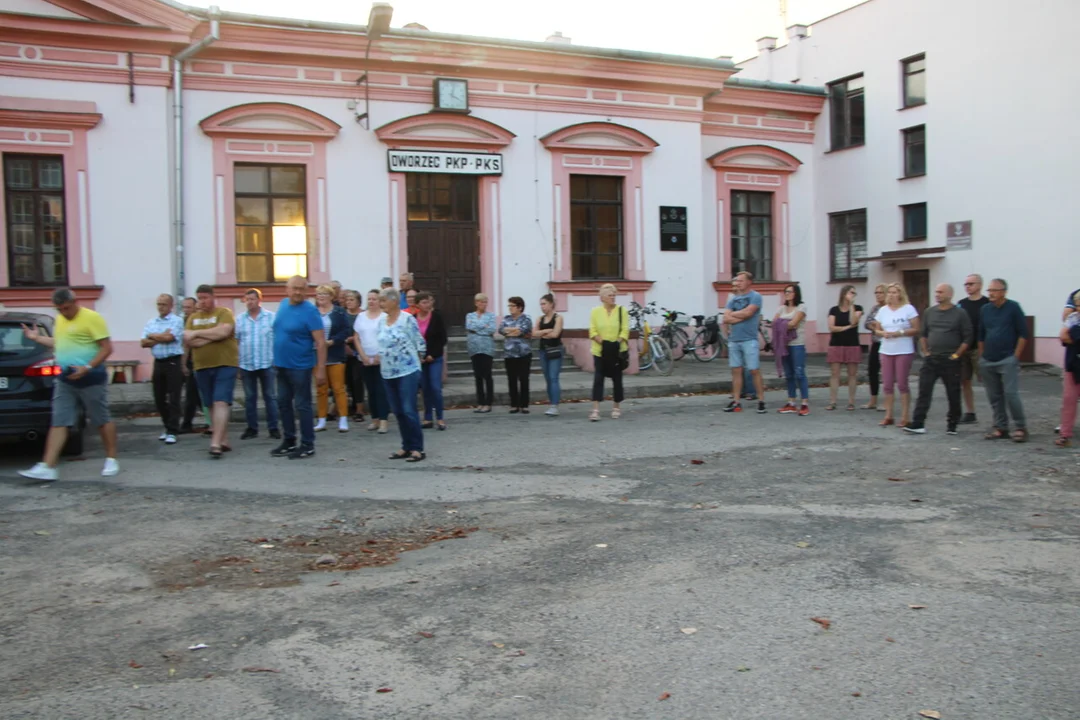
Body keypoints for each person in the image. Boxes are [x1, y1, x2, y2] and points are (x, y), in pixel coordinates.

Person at [18, 288, 120, 481]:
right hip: (65, 379)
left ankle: (111, 458)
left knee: (101, 418)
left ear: (75, 302)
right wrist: (37, 338)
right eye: (59, 309)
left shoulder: (92, 318)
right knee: (59, 420)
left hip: (91, 377)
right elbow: (60, 342)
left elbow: (107, 349)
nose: (64, 312)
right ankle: (48, 466)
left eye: (66, 308)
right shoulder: (61, 320)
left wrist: (87, 367)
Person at [905, 284, 972, 435]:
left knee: (953, 393)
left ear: (949, 294)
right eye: (936, 292)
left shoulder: (960, 313)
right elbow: (923, 333)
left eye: (940, 292)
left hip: (951, 360)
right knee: (924, 391)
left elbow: (967, 337)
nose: (937, 294)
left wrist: (956, 355)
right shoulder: (930, 312)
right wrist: (926, 351)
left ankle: (952, 424)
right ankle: (918, 423)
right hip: (932, 359)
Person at [271, 275, 327, 459]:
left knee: (302, 405)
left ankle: (307, 444)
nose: (297, 292)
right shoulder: (283, 304)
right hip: (281, 364)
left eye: (301, 289)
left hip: (300, 366)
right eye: (294, 288)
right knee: (283, 403)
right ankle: (289, 441)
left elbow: (320, 342)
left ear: (306, 291)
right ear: (286, 289)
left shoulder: (310, 311)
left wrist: (320, 370)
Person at [183, 284, 239, 458]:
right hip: (202, 366)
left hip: (225, 363)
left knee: (221, 400)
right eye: (200, 298)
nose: (203, 301)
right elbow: (189, 340)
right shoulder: (193, 318)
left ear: (213, 297)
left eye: (206, 298)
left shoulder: (224, 313)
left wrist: (199, 335)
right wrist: (211, 336)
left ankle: (215, 443)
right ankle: (223, 439)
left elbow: (224, 332)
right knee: (210, 404)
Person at [377, 288, 427, 462]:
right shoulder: (381, 321)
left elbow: (419, 341)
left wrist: (419, 364)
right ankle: (406, 446)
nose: (380, 304)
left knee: (408, 409)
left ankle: (417, 448)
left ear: (394, 301)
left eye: (383, 300)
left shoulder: (407, 320)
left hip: (407, 371)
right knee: (398, 411)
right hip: (388, 372)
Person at [978, 278, 1028, 442]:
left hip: (1007, 358)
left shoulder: (1013, 307)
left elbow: (1023, 334)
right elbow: (981, 335)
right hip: (988, 359)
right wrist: (981, 358)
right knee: (994, 396)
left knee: (1011, 393)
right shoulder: (985, 309)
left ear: (1004, 292)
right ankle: (1001, 427)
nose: (991, 294)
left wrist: (1015, 356)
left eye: (994, 290)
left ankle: (1020, 427)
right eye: (989, 290)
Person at [235, 288, 280, 441]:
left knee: (270, 397)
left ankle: (273, 428)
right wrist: (237, 365)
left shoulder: (271, 318)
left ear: (259, 300)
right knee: (250, 398)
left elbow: (277, 340)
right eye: (247, 300)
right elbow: (236, 342)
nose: (249, 302)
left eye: (252, 299)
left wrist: (276, 361)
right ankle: (252, 428)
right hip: (247, 364)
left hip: (266, 362)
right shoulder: (240, 319)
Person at [140, 293, 185, 444]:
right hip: (158, 362)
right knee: (159, 398)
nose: (161, 307)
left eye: (164, 304)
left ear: (171, 306)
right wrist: (159, 336)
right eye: (159, 304)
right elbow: (143, 342)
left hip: (173, 361)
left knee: (174, 397)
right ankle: (167, 426)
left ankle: (173, 430)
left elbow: (170, 338)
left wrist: (153, 337)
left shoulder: (177, 321)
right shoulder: (152, 322)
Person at [874, 283, 920, 428]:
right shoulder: (883, 310)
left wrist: (899, 332)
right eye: (890, 292)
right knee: (887, 384)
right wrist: (883, 333)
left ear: (900, 294)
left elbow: (916, 328)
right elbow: (877, 329)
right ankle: (888, 415)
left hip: (903, 349)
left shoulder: (908, 309)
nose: (892, 295)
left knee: (902, 383)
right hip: (886, 349)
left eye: (895, 292)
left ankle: (905, 416)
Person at [722, 271, 766, 413]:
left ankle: (761, 400)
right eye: (736, 281)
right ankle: (736, 401)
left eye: (740, 281)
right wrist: (740, 316)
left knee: (754, 370)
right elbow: (726, 318)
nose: (737, 283)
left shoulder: (755, 296)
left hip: (749, 339)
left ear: (749, 282)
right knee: (736, 370)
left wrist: (734, 315)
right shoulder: (733, 299)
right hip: (734, 339)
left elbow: (749, 313)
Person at [588, 283, 629, 421]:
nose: (613, 298)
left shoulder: (621, 311)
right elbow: (592, 330)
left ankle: (616, 407)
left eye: (614, 295)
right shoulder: (595, 311)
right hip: (600, 350)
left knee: (617, 379)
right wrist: (602, 342)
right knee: (598, 378)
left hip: (617, 350)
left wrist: (617, 341)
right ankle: (595, 409)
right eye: (610, 295)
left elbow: (625, 329)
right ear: (602, 298)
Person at [314, 284, 351, 432]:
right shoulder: (313, 312)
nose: (321, 296)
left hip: (335, 354)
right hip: (317, 355)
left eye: (324, 294)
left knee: (338, 388)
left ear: (331, 296)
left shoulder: (339, 312)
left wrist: (333, 341)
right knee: (321, 388)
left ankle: (343, 419)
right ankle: (321, 420)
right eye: (318, 294)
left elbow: (345, 330)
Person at [354, 289, 389, 433]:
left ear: (380, 301)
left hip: (381, 359)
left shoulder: (385, 317)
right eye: (369, 299)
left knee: (381, 390)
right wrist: (362, 356)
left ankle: (383, 420)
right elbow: (356, 337)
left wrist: (379, 356)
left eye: (374, 299)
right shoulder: (361, 316)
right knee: (371, 390)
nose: (371, 301)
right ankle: (374, 419)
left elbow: (387, 338)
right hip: (366, 359)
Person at [957, 274, 989, 424]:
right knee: (965, 380)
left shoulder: (987, 304)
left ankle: (997, 411)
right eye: (966, 284)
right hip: (964, 347)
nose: (967, 286)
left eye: (971, 284)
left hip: (980, 347)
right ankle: (970, 411)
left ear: (979, 285)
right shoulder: (961, 304)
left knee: (987, 380)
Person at [826, 285, 863, 411]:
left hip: (852, 344)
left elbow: (854, 321)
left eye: (854, 293)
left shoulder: (858, 308)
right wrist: (845, 328)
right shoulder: (834, 310)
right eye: (851, 292)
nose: (853, 295)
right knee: (835, 373)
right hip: (836, 344)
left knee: (852, 374)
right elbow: (831, 327)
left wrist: (851, 305)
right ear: (844, 294)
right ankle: (832, 401)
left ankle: (851, 402)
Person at [415, 291, 448, 430]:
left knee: (435, 388)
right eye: (424, 302)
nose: (427, 305)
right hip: (419, 360)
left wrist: (431, 355)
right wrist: (419, 356)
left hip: (435, 358)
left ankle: (440, 418)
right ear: (417, 305)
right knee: (425, 389)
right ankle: (427, 418)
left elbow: (442, 339)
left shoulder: (436, 317)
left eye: (428, 302)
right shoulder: (412, 318)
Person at [774, 284, 809, 416]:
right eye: (785, 292)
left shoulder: (801, 307)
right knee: (789, 374)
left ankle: (804, 403)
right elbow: (775, 323)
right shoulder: (781, 308)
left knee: (799, 372)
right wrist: (784, 324)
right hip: (784, 345)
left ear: (796, 293)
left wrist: (782, 323)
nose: (787, 294)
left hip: (797, 344)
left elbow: (794, 323)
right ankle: (791, 402)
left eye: (789, 291)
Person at [500, 296, 533, 413]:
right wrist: (514, 331)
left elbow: (522, 331)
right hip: (509, 354)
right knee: (511, 379)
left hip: (524, 353)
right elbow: (501, 330)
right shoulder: (506, 318)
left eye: (512, 306)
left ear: (519, 307)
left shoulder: (526, 318)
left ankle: (524, 405)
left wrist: (510, 331)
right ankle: (514, 404)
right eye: (509, 306)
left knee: (524, 379)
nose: (510, 308)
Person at [1056, 290, 1080, 448]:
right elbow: (1063, 336)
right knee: (1069, 399)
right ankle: (1065, 434)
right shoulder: (1072, 318)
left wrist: (1074, 333)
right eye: (1077, 304)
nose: (1078, 308)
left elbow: (1069, 335)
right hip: (1073, 363)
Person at [465, 293, 497, 413]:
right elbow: (469, 326)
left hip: (487, 348)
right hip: (474, 348)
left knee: (487, 375)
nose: (483, 304)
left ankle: (488, 402)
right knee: (477, 375)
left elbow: (492, 329)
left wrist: (477, 330)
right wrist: (483, 327)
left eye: (485, 302)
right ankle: (480, 401)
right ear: (476, 303)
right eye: (481, 302)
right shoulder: (470, 315)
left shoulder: (491, 316)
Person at [179, 296, 206, 434]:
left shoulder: (198, 321)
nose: (185, 310)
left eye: (188, 307)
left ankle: (189, 423)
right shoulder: (183, 321)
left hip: (199, 360)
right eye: (184, 307)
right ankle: (189, 423)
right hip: (189, 361)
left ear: (195, 307)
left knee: (196, 393)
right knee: (192, 393)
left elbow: (189, 343)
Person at [535, 293, 564, 416]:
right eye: (541, 304)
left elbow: (555, 334)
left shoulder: (558, 318)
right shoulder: (540, 319)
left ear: (551, 304)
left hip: (555, 350)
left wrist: (541, 334)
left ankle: (554, 405)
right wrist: (546, 331)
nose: (542, 307)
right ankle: (551, 402)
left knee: (553, 377)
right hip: (543, 350)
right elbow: (534, 333)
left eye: (544, 304)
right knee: (547, 378)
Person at [342, 290, 366, 423]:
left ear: (358, 302)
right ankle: (349, 406)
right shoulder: (343, 315)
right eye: (347, 300)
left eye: (352, 300)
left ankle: (359, 410)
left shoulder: (363, 315)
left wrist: (352, 339)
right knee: (347, 381)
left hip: (359, 351)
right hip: (344, 351)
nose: (349, 302)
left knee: (357, 380)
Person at [861, 284, 887, 410]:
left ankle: (888, 401)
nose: (878, 295)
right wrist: (876, 327)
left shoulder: (890, 309)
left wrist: (877, 326)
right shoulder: (875, 308)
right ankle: (873, 400)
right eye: (876, 292)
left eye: (881, 292)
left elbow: (886, 326)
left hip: (888, 343)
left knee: (887, 373)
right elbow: (867, 323)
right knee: (872, 371)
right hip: (876, 343)